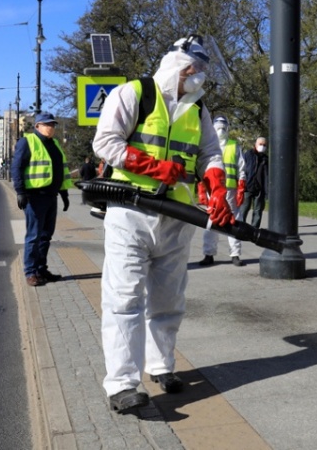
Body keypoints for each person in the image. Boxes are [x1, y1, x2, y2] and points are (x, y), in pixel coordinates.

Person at [92, 35, 233, 413]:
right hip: (130, 213)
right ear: (176, 64)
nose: (198, 77)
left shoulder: (197, 109)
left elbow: (210, 154)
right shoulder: (133, 93)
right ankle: (122, 384)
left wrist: (216, 184)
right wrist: (152, 167)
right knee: (124, 299)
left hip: (177, 217)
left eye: (202, 71)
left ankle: (161, 366)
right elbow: (105, 143)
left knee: (169, 300)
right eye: (194, 69)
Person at [11, 112, 75, 287]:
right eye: (47, 124)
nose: (51, 128)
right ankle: (30, 272)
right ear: (37, 126)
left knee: (46, 236)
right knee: (34, 236)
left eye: (53, 125)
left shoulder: (54, 144)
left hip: (51, 196)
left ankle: (41, 269)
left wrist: (64, 193)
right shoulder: (27, 142)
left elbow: (60, 171)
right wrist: (20, 191)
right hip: (35, 197)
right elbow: (16, 168)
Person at [198, 115, 245, 267]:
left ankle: (235, 254)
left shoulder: (234, 146)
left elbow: (241, 168)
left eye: (223, 126)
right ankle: (208, 254)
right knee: (211, 222)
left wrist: (241, 187)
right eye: (217, 126)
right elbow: (200, 168)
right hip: (212, 190)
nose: (220, 129)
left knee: (234, 220)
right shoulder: (208, 145)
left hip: (230, 190)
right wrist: (201, 189)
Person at [238, 136, 268, 228]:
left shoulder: (266, 159)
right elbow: (242, 168)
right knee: (244, 209)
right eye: (260, 144)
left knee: (258, 210)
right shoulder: (248, 155)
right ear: (255, 144)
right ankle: (241, 227)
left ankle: (254, 229)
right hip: (248, 187)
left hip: (260, 189)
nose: (262, 146)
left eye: (264, 145)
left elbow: (267, 175)